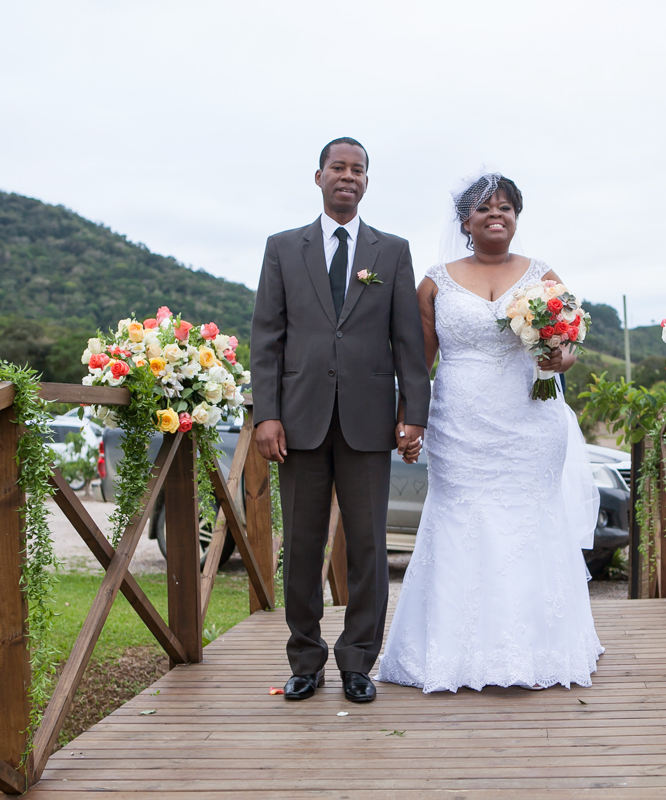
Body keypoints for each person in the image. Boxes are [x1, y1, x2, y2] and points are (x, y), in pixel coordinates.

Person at [376, 172, 604, 693]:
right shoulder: (436, 281)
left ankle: (535, 649)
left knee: (529, 521)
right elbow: (420, 361)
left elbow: (564, 351)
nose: (496, 214)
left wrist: (560, 357)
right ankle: (452, 652)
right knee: (460, 519)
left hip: (529, 422)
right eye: (484, 208)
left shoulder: (544, 277)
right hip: (459, 424)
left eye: (506, 207)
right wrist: (408, 418)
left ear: (516, 218)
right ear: (466, 221)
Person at [251, 137, 432, 703]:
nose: (347, 176)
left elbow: (408, 342)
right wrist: (267, 414)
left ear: (366, 182)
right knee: (302, 547)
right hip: (299, 423)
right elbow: (267, 339)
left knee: (368, 547)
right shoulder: (283, 248)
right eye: (338, 167)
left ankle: (358, 661)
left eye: (358, 170)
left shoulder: (392, 251)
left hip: (368, 423)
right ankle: (305, 660)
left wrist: (413, 414)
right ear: (319, 176)